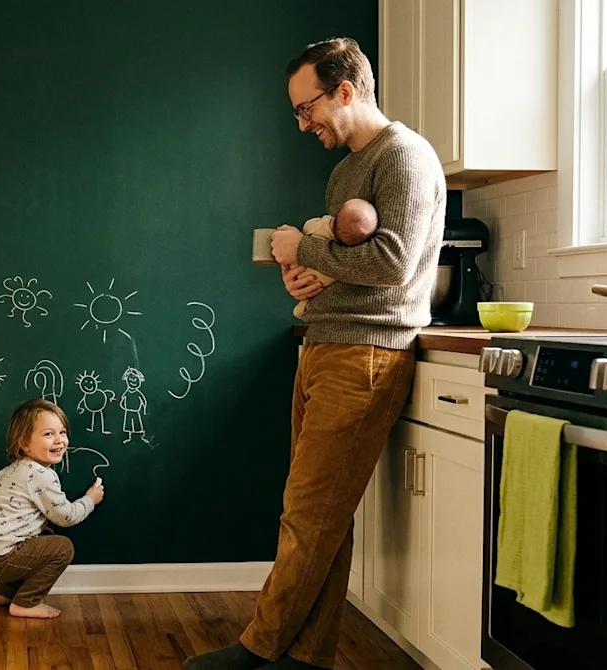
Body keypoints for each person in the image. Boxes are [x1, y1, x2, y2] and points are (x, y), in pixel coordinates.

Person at [184, 36, 445, 670]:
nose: (303, 123)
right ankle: (305, 658)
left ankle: (258, 651)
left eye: (307, 108)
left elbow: (391, 263)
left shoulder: (404, 156)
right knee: (321, 517)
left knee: (308, 515)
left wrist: (301, 251)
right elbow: (346, 263)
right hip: (326, 345)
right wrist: (305, 276)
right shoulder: (344, 171)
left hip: (367, 354)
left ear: (346, 91)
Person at [0, 398, 106, 619]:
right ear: (24, 444)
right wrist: (90, 499)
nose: (59, 440)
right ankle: (26, 603)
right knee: (62, 547)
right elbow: (67, 517)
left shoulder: (10, 471)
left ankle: (3, 593)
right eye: (48, 434)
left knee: (38, 539)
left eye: (62, 432)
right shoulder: (39, 475)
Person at [291, 198, 379, 319]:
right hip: (326, 316)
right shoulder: (347, 259)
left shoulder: (322, 227)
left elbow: (308, 225)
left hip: (326, 316)